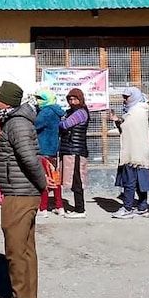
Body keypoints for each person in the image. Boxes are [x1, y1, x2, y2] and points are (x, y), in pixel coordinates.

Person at [0, 81, 46, 298]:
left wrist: (42, 184)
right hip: (22, 191)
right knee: (25, 249)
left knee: (15, 250)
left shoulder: (17, 125)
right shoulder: (16, 122)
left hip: (20, 194)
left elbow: (29, 159)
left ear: (9, 102)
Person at [110, 87, 149, 219]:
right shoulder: (138, 110)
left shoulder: (136, 111)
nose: (125, 100)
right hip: (140, 151)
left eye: (127, 97)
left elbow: (127, 128)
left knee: (130, 180)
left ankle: (127, 207)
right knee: (140, 180)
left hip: (133, 152)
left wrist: (117, 120)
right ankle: (142, 206)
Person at [59, 88, 90, 219]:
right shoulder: (71, 112)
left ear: (80, 99)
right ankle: (78, 208)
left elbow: (65, 125)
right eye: (70, 99)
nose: (72, 102)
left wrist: (61, 122)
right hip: (70, 148)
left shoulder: (81, 112)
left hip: (76, 150)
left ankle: (80, 209)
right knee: (73, 180)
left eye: (75, 99)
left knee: (76, 179)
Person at [34, 90, 64, 217]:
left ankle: (43, 208)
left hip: (43, 149)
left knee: (45, 179)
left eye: (40, 98)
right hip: (53, 149)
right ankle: (59, 206)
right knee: (55, 178)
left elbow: (35, 126)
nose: (38, 101)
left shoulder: (45, 112)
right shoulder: (56, 110)